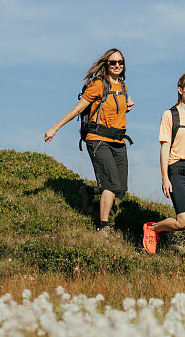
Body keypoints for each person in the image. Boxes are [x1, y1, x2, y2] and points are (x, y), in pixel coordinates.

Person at [44, 49, 133, 234]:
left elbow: (113, 111)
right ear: (106, 65)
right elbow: (77, 110)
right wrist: (55, 128)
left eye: (121, 62)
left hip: (118, 140)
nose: (117, 65)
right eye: (113, 62)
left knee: (120, 189)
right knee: (110, 185)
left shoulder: (123, 87)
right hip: (98, 140)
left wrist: (127, 107)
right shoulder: (98, 85)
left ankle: (88, 192)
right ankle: (103, 227)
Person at [143, 74, 185, 259]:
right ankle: (153, 228)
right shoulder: (169, 115)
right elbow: (165, 147)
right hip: (177, 172)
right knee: (184, 221)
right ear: (180, 90)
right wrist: (165, 177)